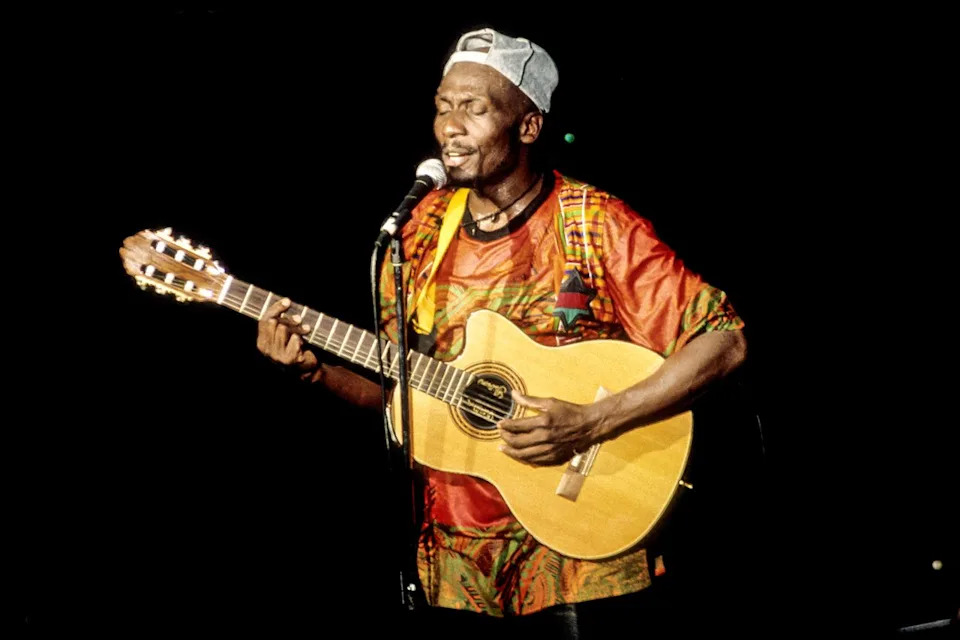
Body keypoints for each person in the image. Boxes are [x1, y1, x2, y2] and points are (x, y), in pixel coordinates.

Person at [256, 27, 747, 637]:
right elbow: (402, 400)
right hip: (453, 569)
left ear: (528, 126)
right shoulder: (415, 237)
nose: (450, 127)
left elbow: (723, 339)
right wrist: (316, 371)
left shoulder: (594, 222)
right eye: (442, 106)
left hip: (580, 554)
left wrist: (595, 421)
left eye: (475, 108)